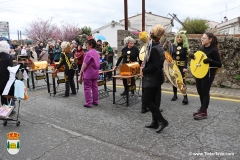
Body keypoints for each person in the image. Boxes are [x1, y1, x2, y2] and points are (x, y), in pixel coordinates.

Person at [142, 24, 168, 133]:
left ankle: (162, 121)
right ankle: (155, 122)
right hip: (157, 78)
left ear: (152, 36)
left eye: (150, 33)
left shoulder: (154, 49)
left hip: (152, 79)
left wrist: (143, 69)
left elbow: (155, 66)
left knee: (147, 101)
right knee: (154, 101)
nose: (148, 35)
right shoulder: (159, 46)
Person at [190, 33, 222, 120]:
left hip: (208, 74)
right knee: (200, 91)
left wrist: (210, 60)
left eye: (204, 38)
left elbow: (219, 64)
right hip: (199, 73)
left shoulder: (213, 51)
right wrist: (193, 57)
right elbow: (199, 60)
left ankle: (204, 112)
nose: (202, 39)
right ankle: (201, 108)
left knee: (205, 92)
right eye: (202, 38)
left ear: (210, 39)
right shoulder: (201, 48)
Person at [78, 36, 100, 108]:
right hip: (95, 72)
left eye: (87, 44)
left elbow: (85, 64)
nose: (86, 46)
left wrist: (81, 72)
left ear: (90, 45)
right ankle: (95, 101)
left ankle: (88, 103)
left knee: (87, 88)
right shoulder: (96, 53)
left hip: (89, 73)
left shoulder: (88, 53)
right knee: (95, 87)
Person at [170, 31, 190, 104]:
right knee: (174, 81)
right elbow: (171, 56)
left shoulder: (185, 47)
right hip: (174, 66)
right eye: (178, 37)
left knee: (182, 82)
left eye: (181, 37)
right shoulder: (173, 46)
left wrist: (185, 67)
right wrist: (170, 65)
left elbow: (186, 58)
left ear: (183, 38)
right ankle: (175, 95)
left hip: (182, 66)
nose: (179, 38)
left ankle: (185, 96)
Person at [0, 41, 13, 105]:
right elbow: (11, 68)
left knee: (2, 94)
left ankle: (3, 107)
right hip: (6, 78)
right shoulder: (8, 56)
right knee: (8, 93)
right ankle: (9, 109)